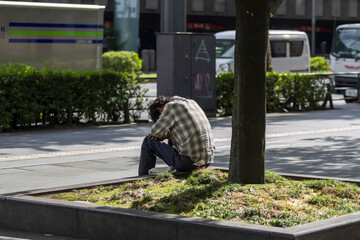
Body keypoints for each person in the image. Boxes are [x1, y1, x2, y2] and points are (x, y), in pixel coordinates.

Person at [138, 96, 215, 175]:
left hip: (189, 163)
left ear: (160, 109)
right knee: (172, 132)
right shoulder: (192, 102)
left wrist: (161, 135)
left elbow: (154, 132)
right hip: (205, 162)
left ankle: (143, 176)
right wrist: (170, 135)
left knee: (148, 141)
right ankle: (177, 167)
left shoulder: (171, 106)